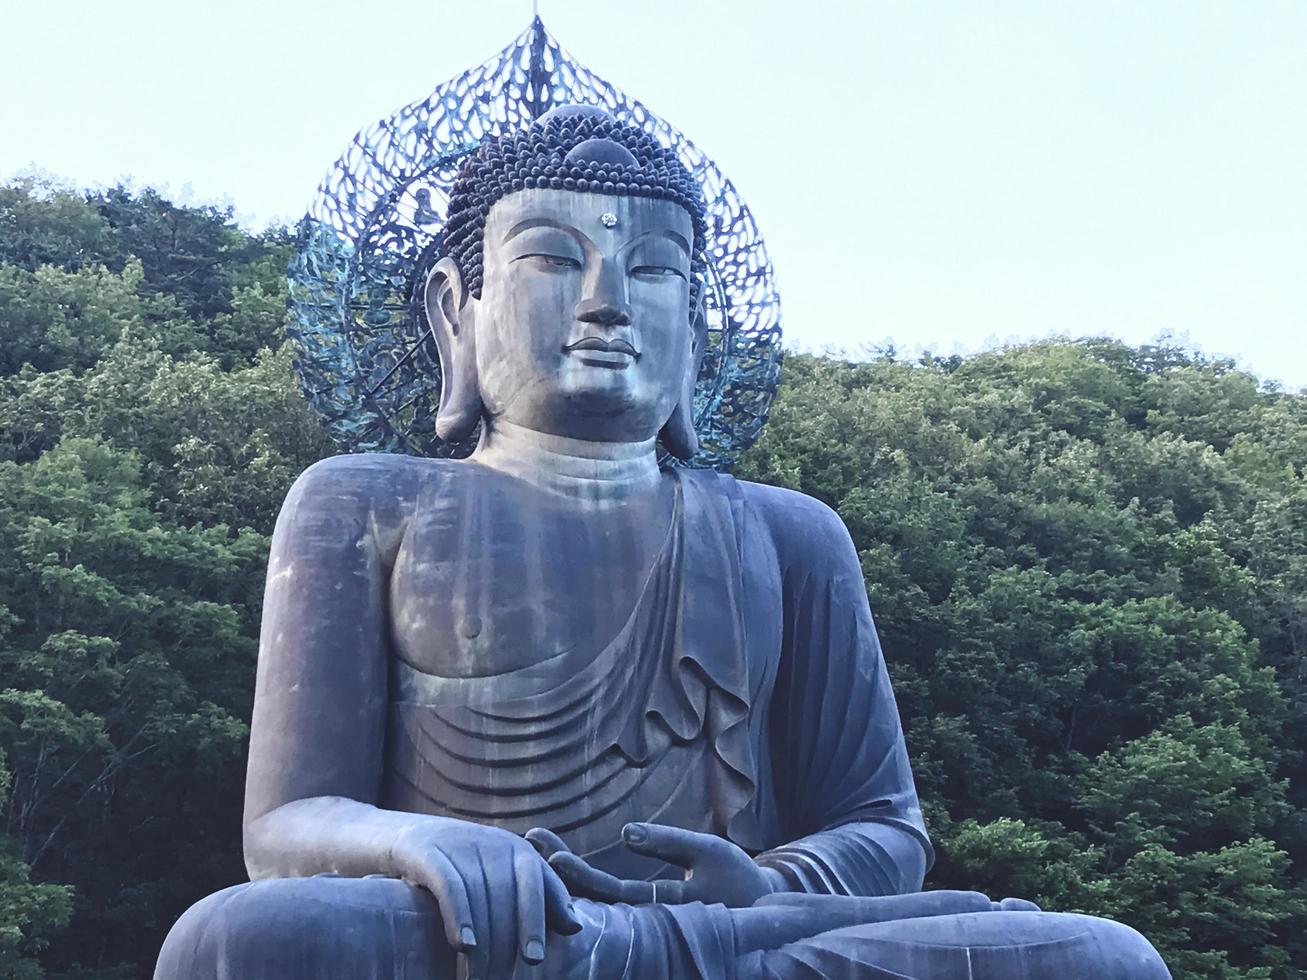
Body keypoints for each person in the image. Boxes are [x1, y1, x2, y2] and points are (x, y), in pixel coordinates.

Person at [155, 107, 1169, 980]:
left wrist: (771, 880)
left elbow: (884, 827)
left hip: (734, 937)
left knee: (1105, 956)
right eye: (553, 257)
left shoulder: (786, 531)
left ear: (694, 332)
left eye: (653, 269)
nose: (607, 300)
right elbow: (282, 823)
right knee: (243, 937)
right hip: (491, 935)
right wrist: (425, 841)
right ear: (453, 315)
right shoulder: (361, 501)